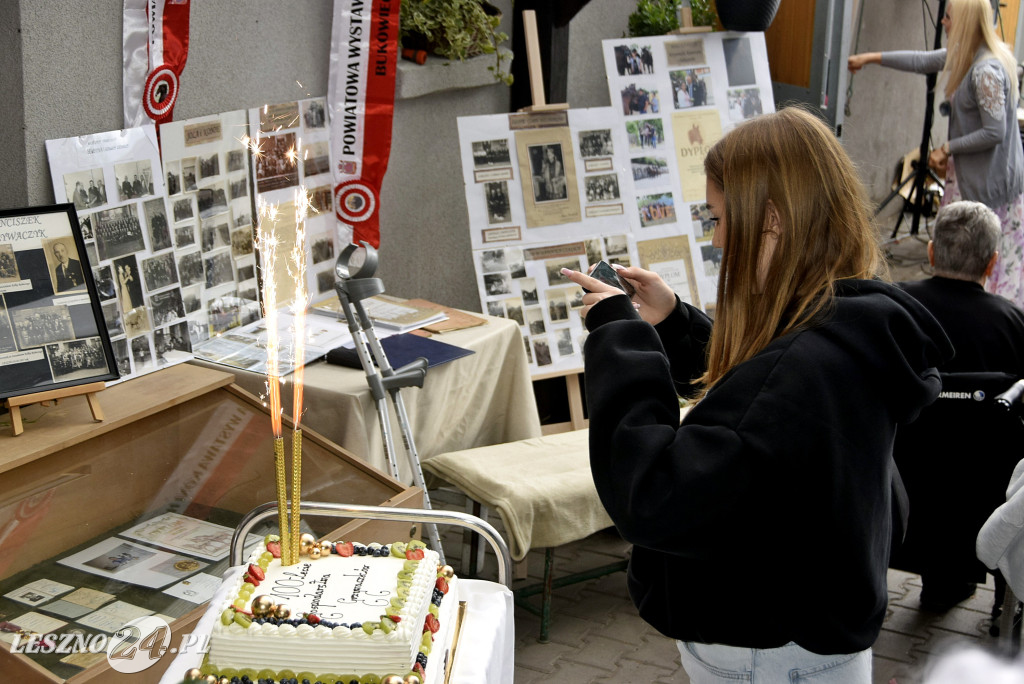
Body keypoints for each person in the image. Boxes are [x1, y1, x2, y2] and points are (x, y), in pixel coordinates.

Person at [560, 107, 952, 683]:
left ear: (771, 220)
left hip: (766, 653)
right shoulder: (848, 325)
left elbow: (651, 495)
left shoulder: (808, 364)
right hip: (806, 634)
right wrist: (675, 326)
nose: (717, 239)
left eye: (720, 218)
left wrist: (625, 342)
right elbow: (763, 404)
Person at [848, 0, 1024, 308]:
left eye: (949, 16)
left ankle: (984, 320)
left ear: (967, 22)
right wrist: (870, 57)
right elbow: (922, 60)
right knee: (960, 261)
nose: (943, 21)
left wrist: (947, 148)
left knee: (987, 271)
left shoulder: (986, 70)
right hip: (970, 177)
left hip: (989, 188)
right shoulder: (967, 54)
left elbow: (994, 132)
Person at [893, 200, 1024, 609]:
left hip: (898, 491)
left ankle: (937, 580)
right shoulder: (1015, 325)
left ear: (931, 253)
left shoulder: (892, 309)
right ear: (992, 264)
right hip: (980, 501)